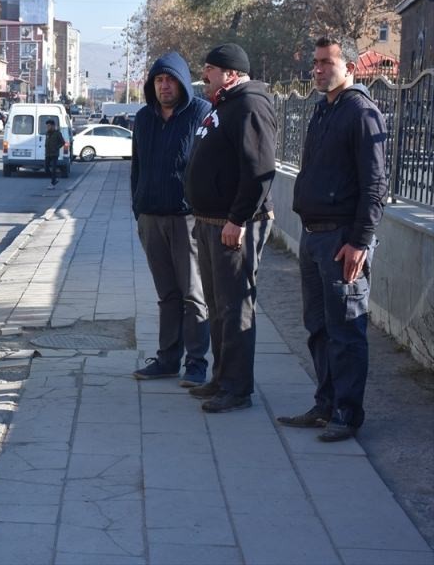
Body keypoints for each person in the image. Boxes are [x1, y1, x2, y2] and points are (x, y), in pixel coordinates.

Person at [277, 36, 387, 442]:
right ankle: (325, 404)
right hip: (313, 236)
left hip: (343, 239)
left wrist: (360, 241)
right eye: (316, 63)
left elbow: (375, 184)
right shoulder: (323, 110)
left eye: (327, 63)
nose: (318, 69)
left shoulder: (361, 112)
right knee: (319, 328)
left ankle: (347, 413)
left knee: (345, 331)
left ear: (351, 69)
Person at [184, 42, 277, 413]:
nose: (203, 75)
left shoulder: (251, 103)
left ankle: (237, 389)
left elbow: (259, 170)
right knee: (217, 304)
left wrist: (237, 219)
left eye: (209, 68)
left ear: (231, 73)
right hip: (211, 222)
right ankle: (222, 378)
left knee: (235, 305)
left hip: (235, 225)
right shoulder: (225, 104)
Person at [131, 51, 212, 387]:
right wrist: (138, 208)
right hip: (151, 218)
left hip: (187, 219)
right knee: (167, 294)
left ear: (182, 81)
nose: (164, 86)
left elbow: (209, 166)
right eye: (159, 80)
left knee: (193, 294)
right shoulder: (144, 117)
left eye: (170, 80)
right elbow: (136, 167)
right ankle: (167, 359)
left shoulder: (201, 113)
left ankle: (196, 363)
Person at [44, 118, 64, 189]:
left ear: (53, 126)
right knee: (46, 169)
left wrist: (56, 147)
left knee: (53, 168)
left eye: (49, 126)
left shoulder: (57, 133)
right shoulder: (47, 133)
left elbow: (62, 142)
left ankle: (53, 183)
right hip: (47, 154)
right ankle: (54, 179)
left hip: (54, 154)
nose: (47, 127)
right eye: (47, 126)